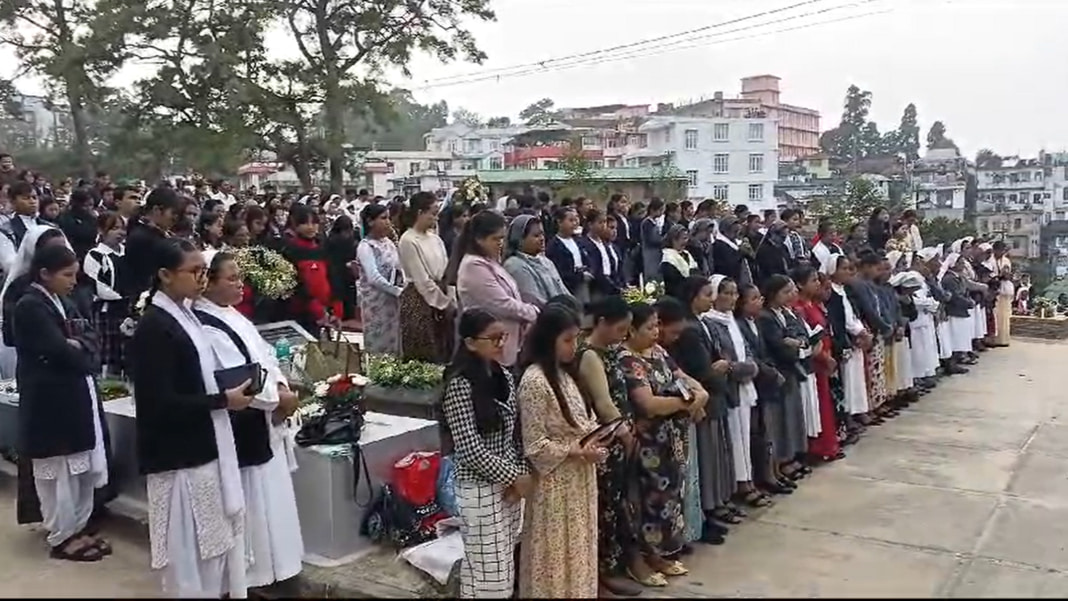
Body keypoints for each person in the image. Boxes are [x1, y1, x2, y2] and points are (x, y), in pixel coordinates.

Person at [130, 238, 255, 598]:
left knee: (211, 549)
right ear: (166, 275)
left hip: (202, 445)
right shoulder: (155, 326)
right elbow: (158, 402)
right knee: (188, 552)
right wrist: (222, 400)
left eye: (204, 270)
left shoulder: (184, 314)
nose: (202, 279)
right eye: (195, 271)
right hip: (178, 455)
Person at [193, 251, 304, 589]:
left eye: (240, 276)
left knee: (275, 498)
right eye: (231, 278)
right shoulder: (206, 324)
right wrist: (277, 399)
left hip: (268, 416)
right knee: (254, 503)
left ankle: (280, 568)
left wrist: (282, 385)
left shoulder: (233, 315)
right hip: (246, 420)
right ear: (207, 283)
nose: (240, 283)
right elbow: (236, 376)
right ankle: (255, 577)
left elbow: (265, 356)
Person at [14, 244, 110, 562]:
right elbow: (57, 349)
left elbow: (91, 338)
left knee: (78, 468)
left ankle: (78, 527)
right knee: (56, 473)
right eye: (67, 274)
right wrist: (76, 347)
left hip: (73, 392)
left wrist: (79, 345)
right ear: (44, 273)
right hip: (49, 399)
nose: (73, 281)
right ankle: (61, 535)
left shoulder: (63, 301)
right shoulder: (30, 305)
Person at [440, 309, 531, 598]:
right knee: (489, 573)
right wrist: (514, 476)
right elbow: (469, 449)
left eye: (502, 337)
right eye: (492, 338)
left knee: (503, 563)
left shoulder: (504, 375)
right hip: (478, 488)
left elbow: (515, 432)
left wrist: (518, 474)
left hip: (508, 486)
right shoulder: (460, 384)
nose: (500, 343)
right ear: (469, 343)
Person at [517, 306, 602, 598]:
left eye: (576, 339)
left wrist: (596, 441)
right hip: (555, 487)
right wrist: (575, 452)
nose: (574, 347)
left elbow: (584, 421)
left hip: (579, 482)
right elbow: (535, 445)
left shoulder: (566, 374)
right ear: (548, 339)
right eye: (567, 340)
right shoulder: (535, 382)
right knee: (555, 557)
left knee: (579, 552)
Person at [618, 302, 706, 582]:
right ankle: (644, 557)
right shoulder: (627, 360)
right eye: (649, 327)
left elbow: (682, 377)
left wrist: (699, 392)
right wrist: (685, 402)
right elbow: (649, 404)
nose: (656, 332)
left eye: (657, 325)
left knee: (670, 497)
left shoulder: (658, 352)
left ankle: (663, 552)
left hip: (671, 439)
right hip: (647, 444)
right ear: (631, 330)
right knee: (648, 500)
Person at [571, 297, 643, 596]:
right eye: (619, 329)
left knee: (617, 504)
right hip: (606, 439)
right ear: (601, 323)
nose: (622, 336)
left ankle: (612, 566)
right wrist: (624, 433)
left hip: (621, 434)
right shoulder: (589, 356)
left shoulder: (610, 351)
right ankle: (598, 574)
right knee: (604, 509)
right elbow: (603, 401)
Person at [668, 276, 737, 533]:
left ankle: (716, 504)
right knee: (706, 458)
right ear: (693, 297)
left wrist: (723, 364)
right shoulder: (689, 329)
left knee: (716, 455)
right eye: (707, 294)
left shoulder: (702, 323)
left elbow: (719, 356)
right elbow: (700, 368)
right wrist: (717, 368)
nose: (712, 298)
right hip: (703, 397)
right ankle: (708, 509)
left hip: (715, 394)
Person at [452, 211, 539, 369]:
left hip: (508, 344)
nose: (500, 243)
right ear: (479, 239)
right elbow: (501, 304)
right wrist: (532, 312)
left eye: (502, 238)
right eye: (495, 239)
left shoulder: (490, 261)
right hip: (490, 346)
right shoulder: (473, 266)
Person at [757, 275, 811, 481]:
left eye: (791, 291)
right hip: (780, 371)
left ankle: (791, 456)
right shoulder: (766, 317)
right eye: (785, 292)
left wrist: (797, 343)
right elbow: (777, 345)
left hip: (791, 371)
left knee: (791, 416)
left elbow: (799, 334)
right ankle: (780, 461)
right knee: (778, 420)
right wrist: (792, 346)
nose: (791, 295)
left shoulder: (787, 313)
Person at [791, 266, 844, 463]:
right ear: (800, 284)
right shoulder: (800, 308)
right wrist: (824, 356)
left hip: (825, 357)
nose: (817, 284)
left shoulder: (813, 304)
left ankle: (828, 444)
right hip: (816, 358)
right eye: (813, 280)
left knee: (824, 403)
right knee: (818, 404)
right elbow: (809, 337)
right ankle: (818, 447)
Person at [398, 192, 456, 363]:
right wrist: (444, 304)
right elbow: (421, 280)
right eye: (432, 213)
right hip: (419, 300)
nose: (435, 218)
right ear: (420, 213)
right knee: (424, 352)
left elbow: (447, 272)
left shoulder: (435, 239)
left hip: (441, 296)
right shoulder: (408, 240)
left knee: (444, 348)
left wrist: (451, 299)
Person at [283, 204, 344, 337]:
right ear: (295, 224)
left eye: (314, 223)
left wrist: (336, 308)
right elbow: (296, 284)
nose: (310, 227)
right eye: (305, 223)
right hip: (302, 313)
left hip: (326, 311)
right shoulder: (289, 250)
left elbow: (333, 277)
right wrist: (316, 309)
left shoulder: (322, 248)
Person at [83, 212, 129, 376]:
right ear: (102, 230)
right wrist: (119, 297)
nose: (120, 233)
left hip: (128, 309)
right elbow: (96, 284)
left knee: (125, 351)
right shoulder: (95, 255)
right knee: (108, 351)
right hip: (106, 310)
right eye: (114, 228)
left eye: (122, 228)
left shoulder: (127, 253)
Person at [355, 204, 403, 354]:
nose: (388, 222)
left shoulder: (389, 243)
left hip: (393, 304)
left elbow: (399, 268)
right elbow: (373, 277)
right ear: (370, 221)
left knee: (394, 343)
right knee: (378, 345)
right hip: (376, 304)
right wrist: (397, 291)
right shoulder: (366, 247)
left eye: (388, 218)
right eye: (383, 218)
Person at [502, 214, 571, 308]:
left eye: (542, 234)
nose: (542, 239)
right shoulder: (515, 265)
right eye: (536, 235)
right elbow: (534, 300)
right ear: (520, 239)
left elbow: (563, 290)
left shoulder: (546, 262)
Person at [545, 207, 592, 305]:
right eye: (571, 220)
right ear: (559, 222)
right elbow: (559, 271)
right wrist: (579, 276)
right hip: (567, 288)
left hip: (583, 285)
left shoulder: (578, 241)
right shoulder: (554, 245)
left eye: (576, 220)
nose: (575, 223)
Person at [578, 209, 623, 301]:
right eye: (600, 222)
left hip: (610, 284)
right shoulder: (584, 244)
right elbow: (595, 268)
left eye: (605, 222)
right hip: (597, 287)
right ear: (590, 225)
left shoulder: (604, 244)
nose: (603, 226)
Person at [324, 215, 358, 321]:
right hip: (337, 273)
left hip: (344, 274)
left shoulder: (350, 239)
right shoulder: (333, 241)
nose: (347, 234)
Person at [660, 224, 698, 299]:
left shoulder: (687, 254)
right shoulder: (667, 257)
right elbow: (672, 280)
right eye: (682, 239)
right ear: (673, 239)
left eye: (686, 238)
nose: (685, 242)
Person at [639, 198, 666, 283]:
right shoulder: (647, 223)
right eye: (660, 210)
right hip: (650, 253)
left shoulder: (654, 222)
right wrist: (663, 240)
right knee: (651, 276)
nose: (662, 213)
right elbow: (651, 240)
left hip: (656, 254)